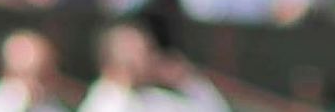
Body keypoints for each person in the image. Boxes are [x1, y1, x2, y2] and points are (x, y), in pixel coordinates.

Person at [77, 23, 228, 112]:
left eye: (148, 50)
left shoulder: (156, 98)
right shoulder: (103, 103)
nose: (150, 59)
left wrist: (188, 82)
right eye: (138, 52)